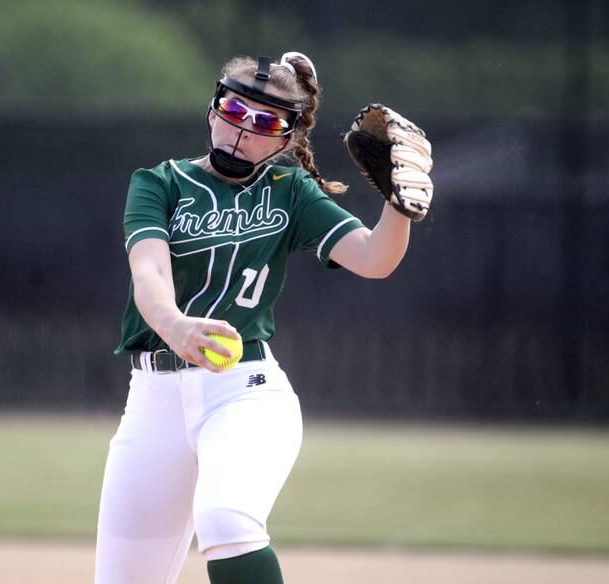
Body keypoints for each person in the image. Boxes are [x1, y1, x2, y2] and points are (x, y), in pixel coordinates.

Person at [95, 51, 430, 584]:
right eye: (233, 109)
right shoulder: (159, 183)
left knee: (226, 520)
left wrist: (397, 205)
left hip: (244, 391)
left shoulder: (290, 192)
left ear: (286, 140)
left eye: (266, 122)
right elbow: (149, 276)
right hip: (153, 400)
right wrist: (176, 326)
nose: (241, 130)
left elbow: (375, 259)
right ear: (212, 111)